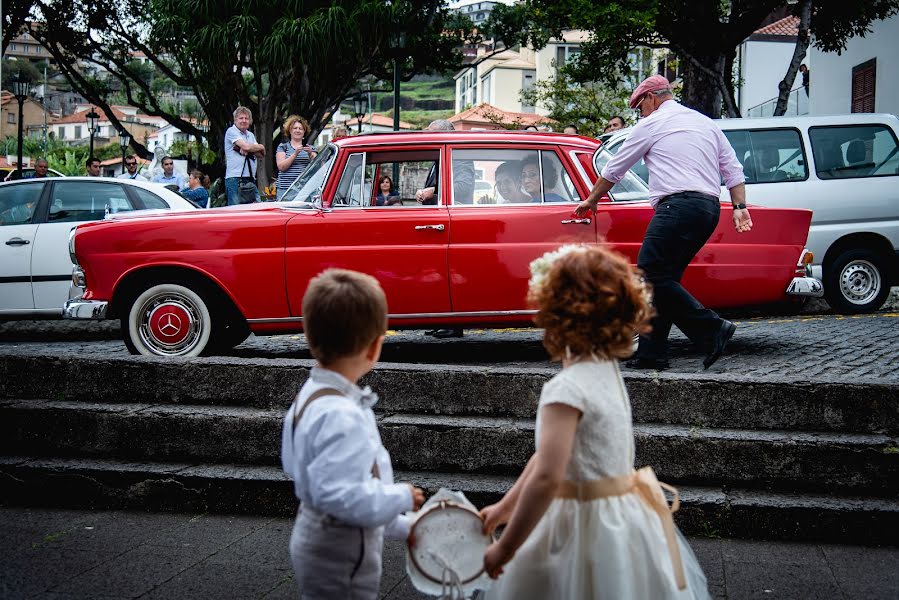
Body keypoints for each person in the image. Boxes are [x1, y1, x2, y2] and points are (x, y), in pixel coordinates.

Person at [480, 245, 711, 600]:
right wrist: (504, 508)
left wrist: (507, 547)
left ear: (556, 315)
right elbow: (547, 459)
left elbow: (546, 478)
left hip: (581, 524)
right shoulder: (608, 370)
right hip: (623, 519)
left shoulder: (565, 390)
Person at [575, 74, 752, 371]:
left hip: (677, 206)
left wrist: (592, 199)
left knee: (651, 274)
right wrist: (739, 207)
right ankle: (652, 353)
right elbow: (733, 169)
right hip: (708, 209)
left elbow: (616, 166)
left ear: (651, 99)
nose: (639, 113)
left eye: (639, 107)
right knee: (663, 280)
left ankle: (712, 329)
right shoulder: (705, 123)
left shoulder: (652, 123)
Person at [281, 268, 425, 599]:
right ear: (375, 347)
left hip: (316, 536)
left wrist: (403, 526)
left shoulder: (312, 396)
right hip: (340, 555)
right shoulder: (341, 415)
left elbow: (311, 475)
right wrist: (401, 497)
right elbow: (340, 496)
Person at [415, 119, 471, 338]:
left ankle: (453, 323)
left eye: (432, 134)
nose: (427, 137)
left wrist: (431, 192)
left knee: (450, 274)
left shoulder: (459, 158)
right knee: (437, 274)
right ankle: (442, 319)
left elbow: (463, 188)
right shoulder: (440, 156)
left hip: (450, 224)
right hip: (437, 221)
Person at [224, 105, 266, 205]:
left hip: (250, 178)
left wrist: (261, 146)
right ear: (235, 120)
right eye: (241, 118)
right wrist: (251, 148)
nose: (244, 121)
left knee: (256, 209)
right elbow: (246, 147)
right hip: (235, 178)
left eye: (246, 118)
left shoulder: (250, 135)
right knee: (236, 213)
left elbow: (261, 154)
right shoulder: (231, 131)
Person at [276, 115, 317, 200]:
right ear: (290, 131)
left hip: (304, 190)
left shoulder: (311, 148)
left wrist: (310, 154)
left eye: (300, 128)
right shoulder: (283, 147)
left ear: (304, 132)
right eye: (295, 128)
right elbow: (281, 167)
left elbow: (317, 166)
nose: (297, 130)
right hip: (285, 189)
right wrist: (294, 154)